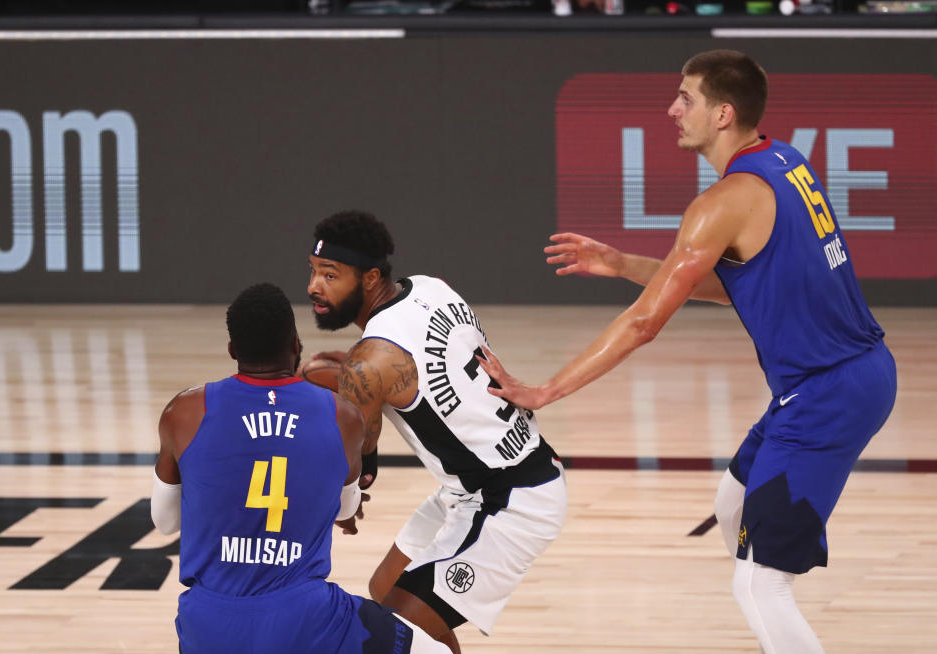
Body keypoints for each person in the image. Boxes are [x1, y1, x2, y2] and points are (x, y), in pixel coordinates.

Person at [477, 50, 897, 654]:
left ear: (723, 113)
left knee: (759, 585)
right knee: (733, 506)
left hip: (826, 392)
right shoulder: (785, 161)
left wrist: (546, 391)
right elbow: (737, 285)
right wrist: (623, 264)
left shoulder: (722, 202)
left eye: (687, 98)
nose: (672, 109)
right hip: (846, 376)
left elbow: (646, 322)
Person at [300, 210, 567, 653]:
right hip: (486, 478)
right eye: (312, 271)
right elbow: (404, 362)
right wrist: (348, 372)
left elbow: (362, 466)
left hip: (510, 498)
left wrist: (344, 507)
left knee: (402, 634)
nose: (313, 286)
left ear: (369, 279)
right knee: (386, 592)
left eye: (330, 275)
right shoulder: (429, 286)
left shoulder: (373, 361)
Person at [151, 282, 450, 654]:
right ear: (295, 344)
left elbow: (164, 522)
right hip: (306, 619)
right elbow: (345, 509)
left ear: (232, 350)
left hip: (208, 625)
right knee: (435, 650)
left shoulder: (184, 411)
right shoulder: (342, 416)